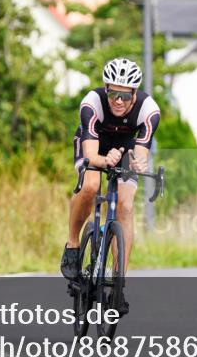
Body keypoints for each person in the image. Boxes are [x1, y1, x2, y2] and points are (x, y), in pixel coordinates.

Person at [60, 58, 161, 313]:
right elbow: (92, 154)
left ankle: (118, 286)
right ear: (106, 89)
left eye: (125, 96)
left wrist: (138, 164)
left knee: (125, 205)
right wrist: (104, 160)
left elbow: (141, 152)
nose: (118, 100)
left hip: (125, 147)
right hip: (93, 145)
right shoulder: (91, 104)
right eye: (113, 93)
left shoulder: (149, 110)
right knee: (92, 185)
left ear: (134, 94)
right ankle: (73, 245)